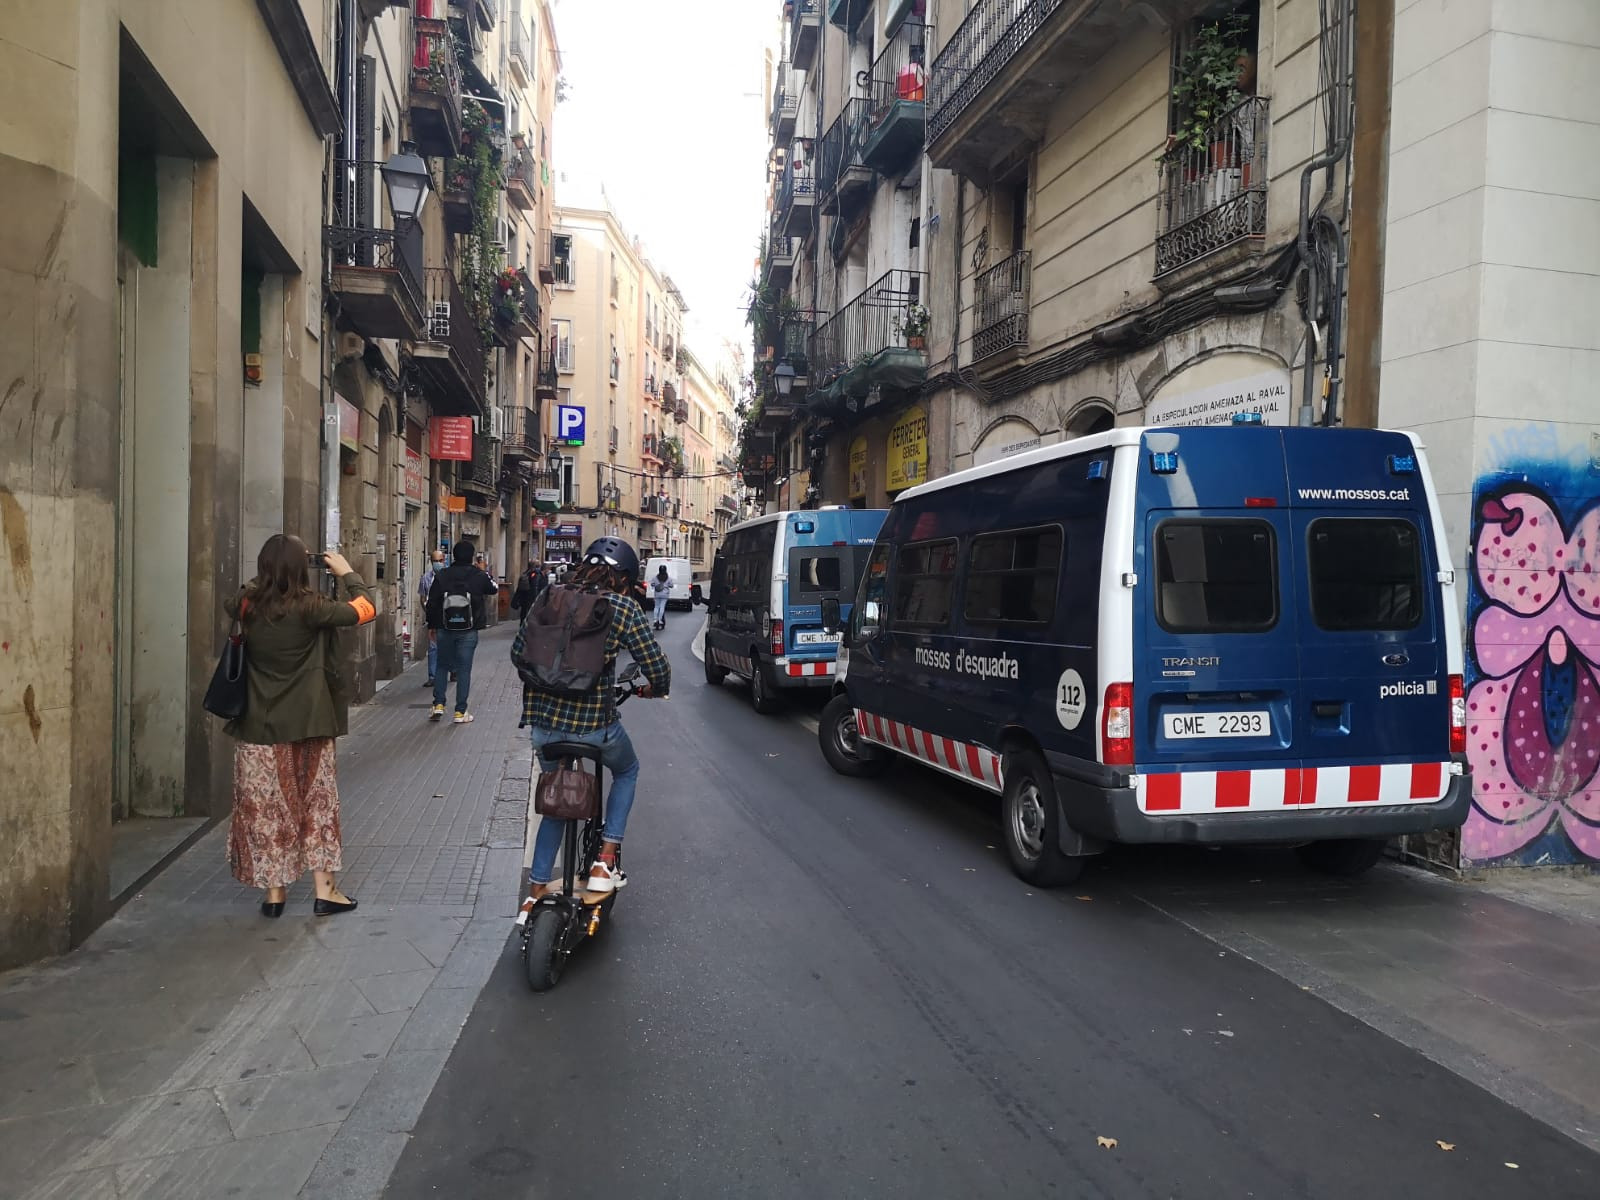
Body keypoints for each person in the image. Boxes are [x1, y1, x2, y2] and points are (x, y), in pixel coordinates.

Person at [513, 537, 670, 917]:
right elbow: (657, 667)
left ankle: (535, 892)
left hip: (543, 728)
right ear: (625, 577)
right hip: (594, 728)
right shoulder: (623, 608)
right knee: (628, 770)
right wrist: (654, 689)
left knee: (557, 800)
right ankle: (605, 858)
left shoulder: (550, 595)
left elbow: (519, 651)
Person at [223, 535, 374, 918]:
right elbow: (365, 609)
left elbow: (245, 592)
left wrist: (268, 577)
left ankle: (274, 895)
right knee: (317, 804)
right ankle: (326, 892)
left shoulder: (246, 604)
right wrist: (347, 572)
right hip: (309, 724)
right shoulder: (312, 607)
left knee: (266, 809)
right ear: (299, 567)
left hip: (258, 726)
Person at [425, 540, 500, 724]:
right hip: (468, 629)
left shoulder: (443, 574)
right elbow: (494, 589)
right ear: (472, 556)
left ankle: (439, 704)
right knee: (464, 669)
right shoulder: (478, 575)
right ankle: (460, 712)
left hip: (445, 627)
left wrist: (431, 626)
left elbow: (432, 602)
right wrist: (483, 570)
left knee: (442, 665)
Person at [418, 549, 446, 687]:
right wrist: (427, 611)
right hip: (433, 618)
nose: (438, 564)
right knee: (433, 647)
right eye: (435, 561)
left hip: (447, 618)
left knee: (448, 646)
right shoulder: (426, 578)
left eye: (440, 561)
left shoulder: (449, 577)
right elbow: (422, 598)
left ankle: (452, 670)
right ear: (431, 562)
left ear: (444, 560)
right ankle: (432, 676)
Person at [649, 563, 672, 631]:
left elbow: (652, 584)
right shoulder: (668, 578)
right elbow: (671, 585)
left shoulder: (655, 577)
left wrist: (656, 585)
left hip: (657, 594)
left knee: (656, 607)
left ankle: (655, 620)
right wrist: (666, 586)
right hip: (665, 595)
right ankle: (660, 620)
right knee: (662, 607)